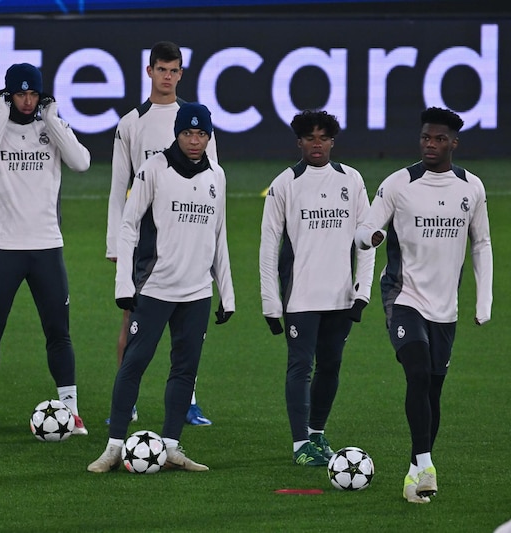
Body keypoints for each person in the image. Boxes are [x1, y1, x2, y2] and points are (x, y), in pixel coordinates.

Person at [355, 107, 492, 504]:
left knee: (432, 391)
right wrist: (371, 239)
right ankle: (428, 464)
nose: (430, 145)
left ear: (454, 143)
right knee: (416, 373)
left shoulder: (472, 188)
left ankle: (414, 473)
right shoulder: (399, 183)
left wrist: (483, 301)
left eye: (438, 139)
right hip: (404, 296)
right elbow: (364, 228)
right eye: (425, 138)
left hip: (445, 307)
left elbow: (481, 244)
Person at [88, 103, 234, 473]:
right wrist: (124, 283)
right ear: (177, 134)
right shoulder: (152, 171)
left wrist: (226, 293)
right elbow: (128, 226)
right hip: (154, 288)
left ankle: (171, 447)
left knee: (185, 370)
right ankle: (113, 447)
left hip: (197, 292)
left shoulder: (218, 175)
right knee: (133, 365)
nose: (195, 141)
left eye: (202, 134)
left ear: (209, 136)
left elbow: (220, 237)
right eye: (188, 133)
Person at [0, 63, 91, 436]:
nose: (27, 101)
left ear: (41, 95)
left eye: (32, 94)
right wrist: (0, 116)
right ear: (8, 95)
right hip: (3, 246)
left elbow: (81, 162)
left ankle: (71, 410)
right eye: (19, 94)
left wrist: (52, 119)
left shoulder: (49, 128)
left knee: (59, 332)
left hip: (47, 247)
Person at [105, 41, 218, 426]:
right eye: (161, 70)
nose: (167, 77)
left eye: (174, 71)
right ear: (149, 71)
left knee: (189, 331)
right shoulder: (131, 123)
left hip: (188, 238)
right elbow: (120, 187)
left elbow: (211, 186)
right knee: (133, 325)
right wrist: (115, 246)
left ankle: (189, 401)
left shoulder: (197, 120)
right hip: (144, 244)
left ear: (181, 74)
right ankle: (128, 403)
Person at [259, 110, 375, 467]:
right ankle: (299, 446)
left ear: (332, 142)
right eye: (310, 138)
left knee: (331, 367)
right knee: (299, 368)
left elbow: (367, 241)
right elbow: (268, 246)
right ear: (299, 142)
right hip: (301, 298)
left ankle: (316, 433)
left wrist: (362, 293)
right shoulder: (285, 184)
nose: (317, 144)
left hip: (340, 298)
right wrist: (270, 304)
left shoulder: (352, 180)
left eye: (323, 137)